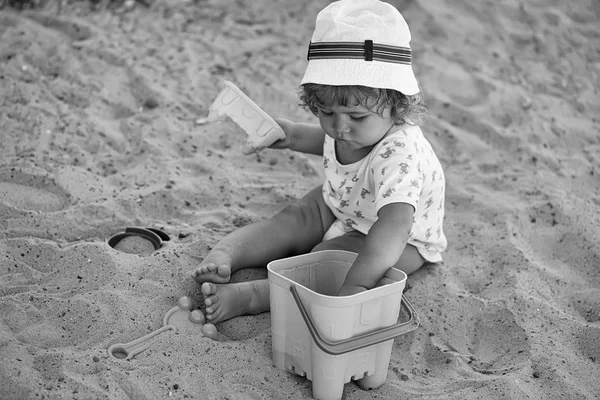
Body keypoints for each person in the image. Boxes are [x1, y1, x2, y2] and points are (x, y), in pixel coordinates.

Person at [192, 0, 447, 324]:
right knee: (294, 217)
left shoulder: (401, 156)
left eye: (356, 116)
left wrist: (357, 284)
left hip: (396, 238)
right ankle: (228, 252)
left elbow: (394, 226)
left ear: (396, 106)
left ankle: (252, 296)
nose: (340, 127)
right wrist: (291, 136)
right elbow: (328, 141)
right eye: (326, 112)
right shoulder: (354, 129)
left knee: (322, 263)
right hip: (345, 202)